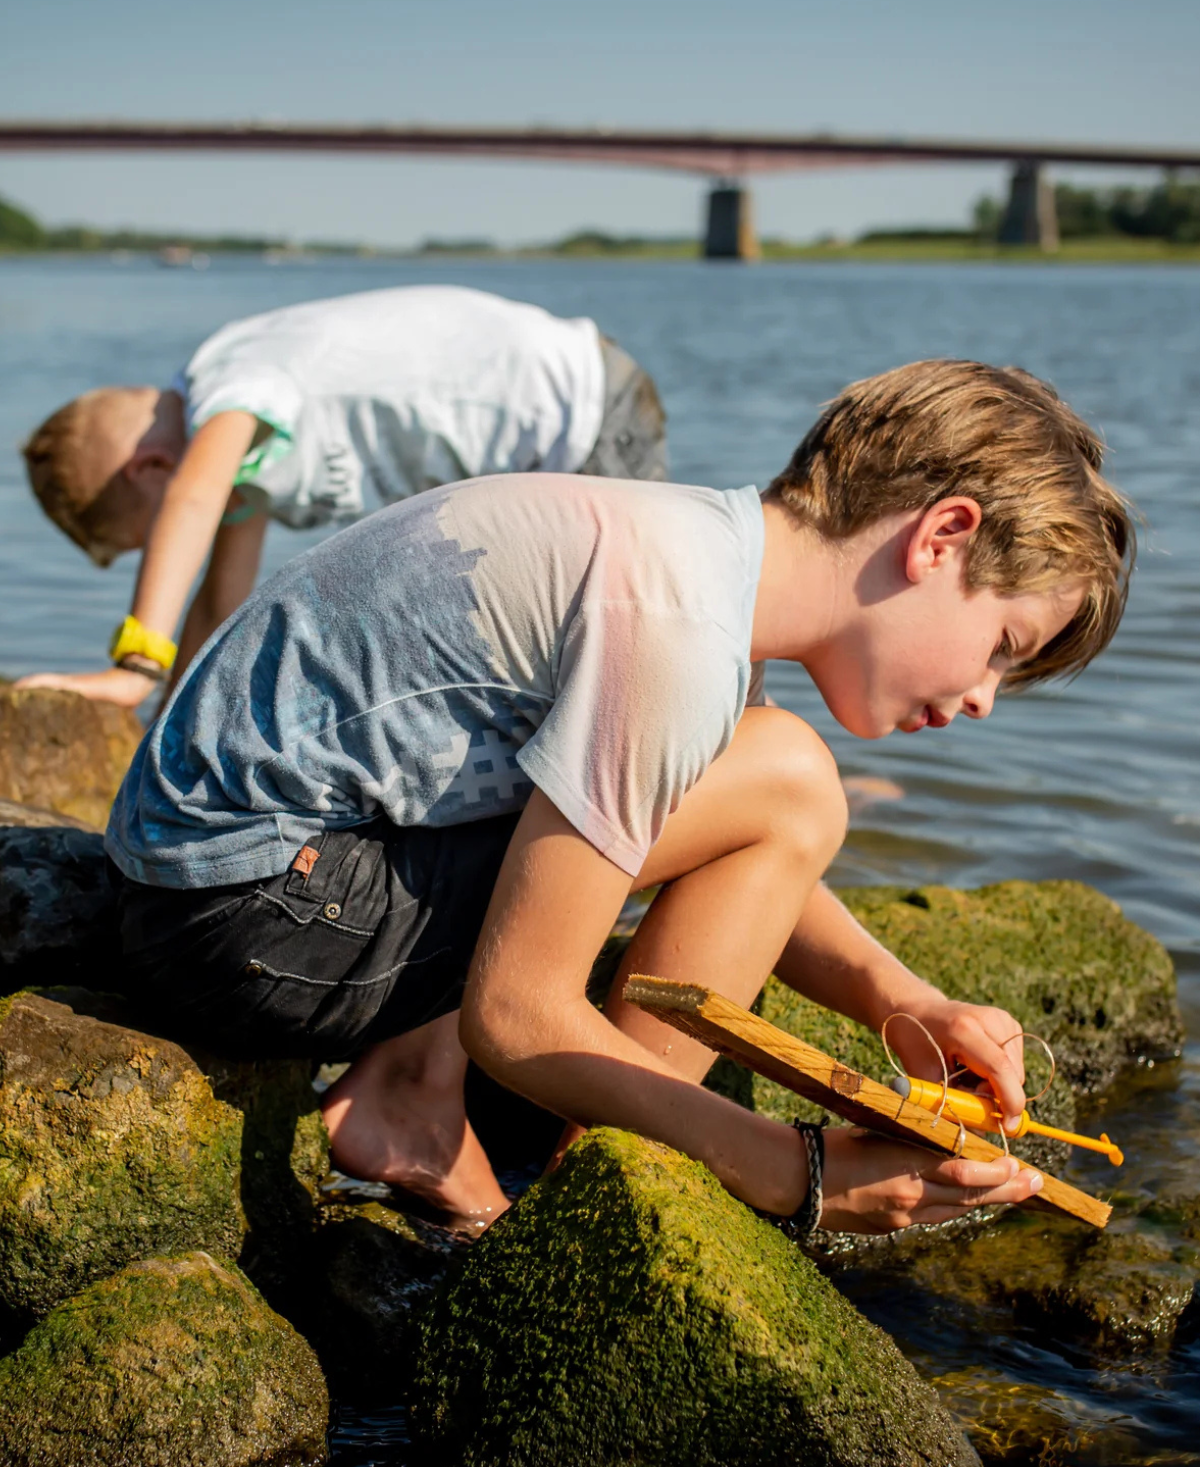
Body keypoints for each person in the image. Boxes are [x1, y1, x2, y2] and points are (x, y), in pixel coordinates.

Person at [104, 360, 1132, 1237]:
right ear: (942, 536)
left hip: (211, 890)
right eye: (1004, 647)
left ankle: (415, 1096)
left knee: (777, 781)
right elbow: (516, 1012)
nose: (985, 699)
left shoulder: (695, 558)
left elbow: (697, 825)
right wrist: (795, 1169)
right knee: (793, 780)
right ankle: (585, 1201)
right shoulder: (675, 629)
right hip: (250, 913)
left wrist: (900, 998)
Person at [17, 284, 667, 707]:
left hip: (582, 413)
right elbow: (219, 599)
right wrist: (170, 725)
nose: (169, 549)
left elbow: (193, 499)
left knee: (634, 649)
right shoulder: (244, 460)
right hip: (528, 470)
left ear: (148, 467)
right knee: (545, 664)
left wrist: (138, 664)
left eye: (149, 537)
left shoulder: (229, 379)